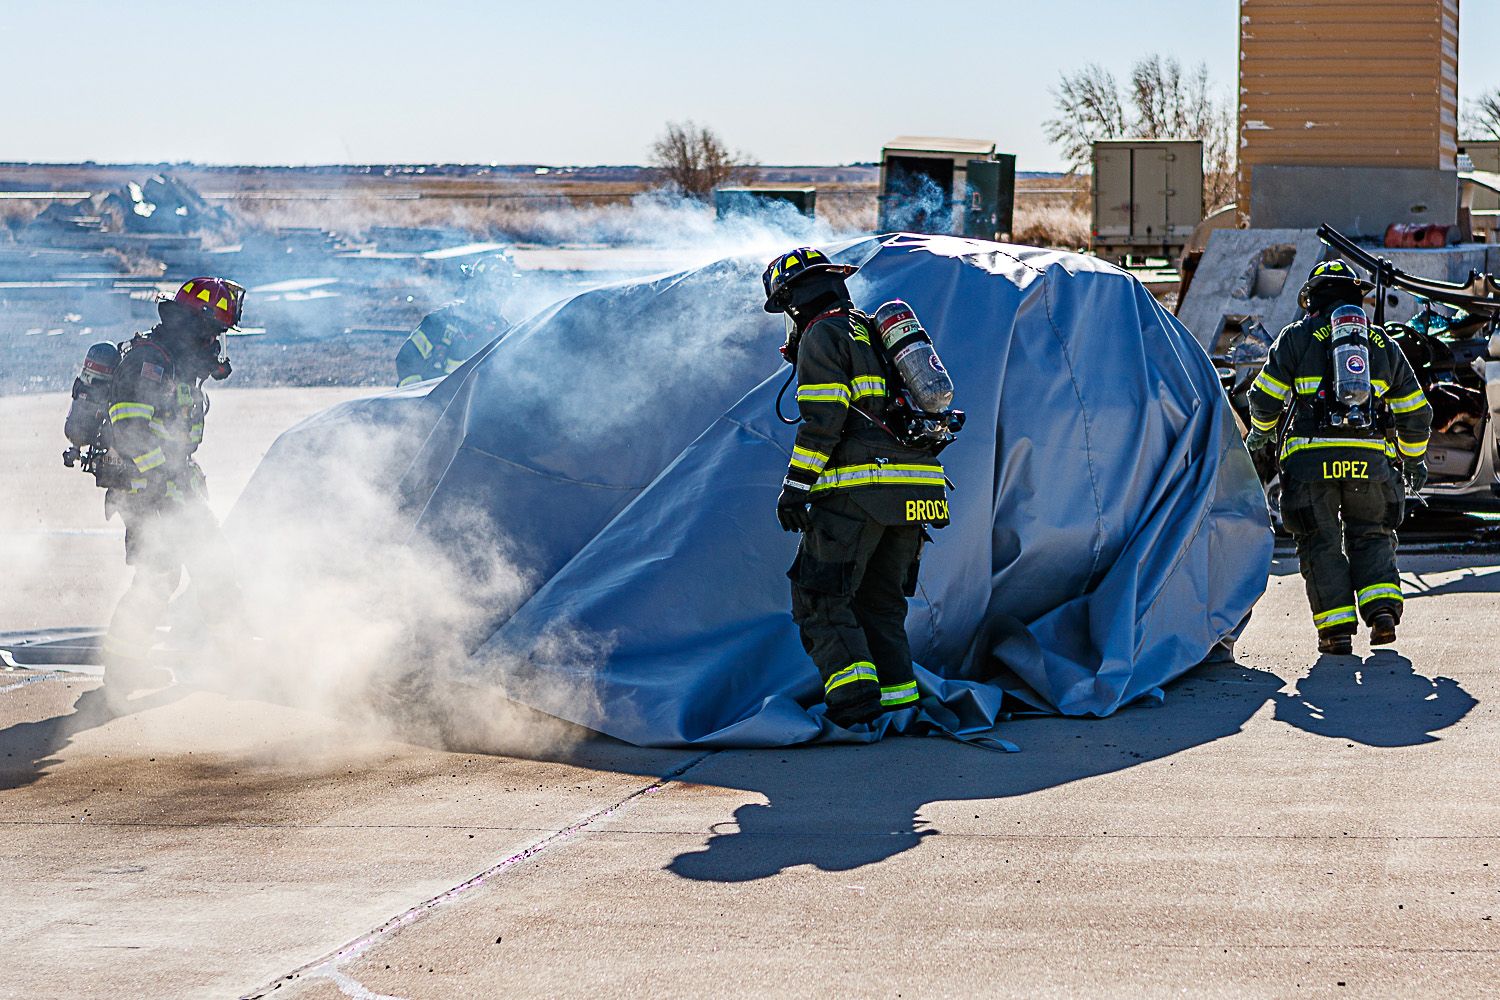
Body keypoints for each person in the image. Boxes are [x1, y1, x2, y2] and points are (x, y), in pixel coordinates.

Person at [764, 247, 951, 727]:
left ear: (794, 298)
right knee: (880, 604)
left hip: (862, 489)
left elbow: (824, 419)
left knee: (820, 597)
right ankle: (899, 706)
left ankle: (855, 709)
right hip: (919, 491)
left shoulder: (822, 334)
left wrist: (796, 487)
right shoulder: (873, 329)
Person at [1245, 259, 1432, 655]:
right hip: (1371, 463)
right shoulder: (1381, 344)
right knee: (1373, 534)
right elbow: (1415, 410)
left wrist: (1261, 435)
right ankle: (1381, 611)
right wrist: (1413, 459)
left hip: (1311, 464)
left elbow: (1264, 399)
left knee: (1320, 541)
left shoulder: (1296, 337)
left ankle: (1336, 633)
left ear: (1312, 300)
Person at [97, 276, 245, 702]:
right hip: (147, 490)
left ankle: (229, 661)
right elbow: (129, 428)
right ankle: (124, 673)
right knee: (160, 577)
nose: (217, 343)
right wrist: (163, 480)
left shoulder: (175, 361)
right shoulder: (150, 361)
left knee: (206, 567)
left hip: (170, 485)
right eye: (214, 332)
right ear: (195, 326)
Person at [396, 252, 518, 386]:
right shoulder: (441, 321)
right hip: (436, 403)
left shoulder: (503, 332)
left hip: (471, 406)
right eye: (490, 293)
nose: (496, 301)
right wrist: (416, 396)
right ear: (475, 288)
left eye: (501, 295)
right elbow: (406, 359)